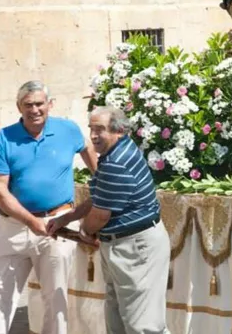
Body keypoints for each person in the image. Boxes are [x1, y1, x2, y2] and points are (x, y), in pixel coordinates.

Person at [46, 106, 170, 334]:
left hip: (135, 248)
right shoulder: (114, 153)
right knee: (118, 323)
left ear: (119, 131)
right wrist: (70, 217)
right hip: (124, 246)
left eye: (100, 129)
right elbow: (101, 196)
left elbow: (101, 214)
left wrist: (84, 230)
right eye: (91, 129)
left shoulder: (116, 162)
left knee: (142, 326)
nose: (93, 136)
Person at [0, 81, 97, 334]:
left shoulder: (68, 130)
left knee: (55, 300)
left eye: (39, 104)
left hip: (58, 224)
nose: (34, 110)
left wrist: (102, 185)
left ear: (50, 105)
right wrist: (30, 221)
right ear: (19, 107)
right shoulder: (4, 138)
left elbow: (90, 154)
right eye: (28, 105)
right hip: (12, 227)